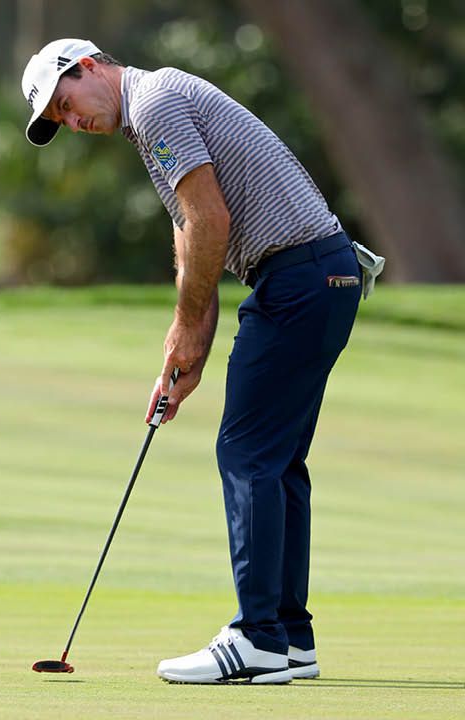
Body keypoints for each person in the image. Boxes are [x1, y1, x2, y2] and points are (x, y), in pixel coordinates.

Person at [19, 39, 382, 684]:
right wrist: (188, 347)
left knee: (247, 454)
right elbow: (195, 238)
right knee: (276, 461)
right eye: (60, 121)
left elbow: (208, 222)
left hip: (298, 278)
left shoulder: (154, 104)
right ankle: (290, 638)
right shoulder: (153, 112)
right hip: (320, 276)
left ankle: (257, 637)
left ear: (86, 66)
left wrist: (189, 327)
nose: (73, 122)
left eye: (65, 103)